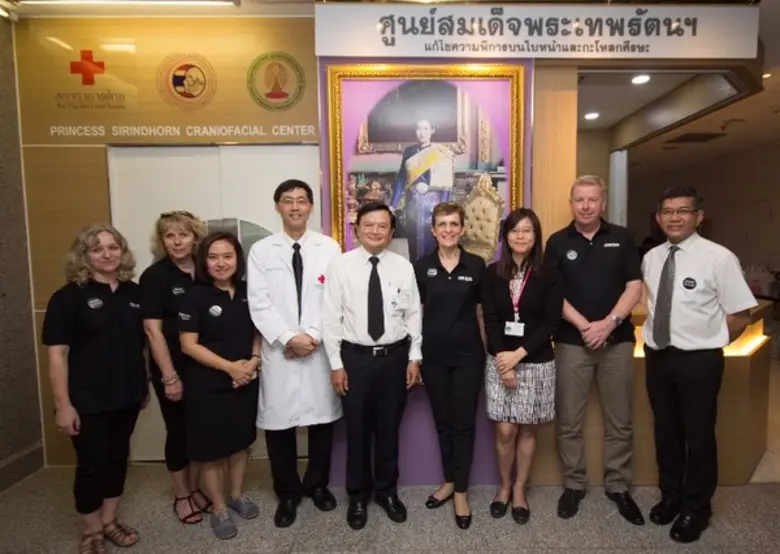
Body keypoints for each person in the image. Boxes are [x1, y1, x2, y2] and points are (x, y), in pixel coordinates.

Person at [642, 186, 756, 544]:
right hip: (658, 356)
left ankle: (696, 509)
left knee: (699, 435)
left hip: (699, 361)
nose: (674, 218)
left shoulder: (719, 258)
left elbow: (740, 315)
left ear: (698, 216)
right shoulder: (652, 257)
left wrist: (708, 344)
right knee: (666, 432)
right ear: (658, 218)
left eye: (683, 211)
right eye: (668, 211)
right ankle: (671, 497)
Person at [544, 175, 644, 525]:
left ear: (603, 202)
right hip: (572, 343)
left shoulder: (622, 237)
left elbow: (635, 285)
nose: (585, 206)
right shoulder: (557, 242)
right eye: (579, 200)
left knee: (620, 420)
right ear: (571, 203)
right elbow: (553, 294)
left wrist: (609, 323)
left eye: (592, 199)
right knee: (569, 419)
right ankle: (574, 484)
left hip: (617, 342)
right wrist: (586, 326)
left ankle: (618, 485)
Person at [42, 224, 148, 554]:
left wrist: (143, 385)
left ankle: (109, 520)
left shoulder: (134, 294)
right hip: (86, 398)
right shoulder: (67, 298)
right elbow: (57, 355)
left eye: (113, 247)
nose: (107, 254)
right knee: (91, 464)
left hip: (127, 395)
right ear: (83, 255)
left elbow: (142, 344)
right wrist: (63, 405)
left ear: (122, 251)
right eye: (97, 248)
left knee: (117, 459)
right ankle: (91, 531)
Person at [247, 179, 342, 528]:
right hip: (280, 351)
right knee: (279, 426)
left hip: (318, 348)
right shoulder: (262, 251)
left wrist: (312, 337)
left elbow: (334, 298)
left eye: (302, 200)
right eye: (288, 201)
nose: (295, 207)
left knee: (321, 423)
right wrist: (289, 338)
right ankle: (287, 492)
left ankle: (317, 485)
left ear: (311, 207)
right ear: (278, 207)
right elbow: (258, 302)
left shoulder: (328, 247)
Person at [322, 201, 422, 530]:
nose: (376, 231)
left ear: (391, 232)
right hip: (355, 359)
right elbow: (330, 318)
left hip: (394, 359)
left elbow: (413, 314)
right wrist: (336, 364)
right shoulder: (341, 266)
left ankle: (386, 492)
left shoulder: (403, 266)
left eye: (382, 226)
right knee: (357, 431)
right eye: (369, 225)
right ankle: (358, 496)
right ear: (356, 230)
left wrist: (414, 356)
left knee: (389, 430)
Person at [178, 231, 261, 541]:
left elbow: (258, 332)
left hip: (244, 380)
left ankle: (236, 494)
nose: (221, 263)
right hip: (207, 384)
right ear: (204, 261)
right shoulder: (194, 296)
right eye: (213, 257)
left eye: (227, 256)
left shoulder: (248, 291)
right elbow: (188, 345)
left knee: (239, 443)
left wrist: (253, 361)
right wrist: (230, 368)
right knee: (211, 449)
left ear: (238, 259)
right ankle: (218, 507)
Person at [482, 208, 562, 525]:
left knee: (528, 428)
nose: (521, 236)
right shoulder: (492, 273)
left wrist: (519, 355)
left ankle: (519, 489)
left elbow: (551, 321)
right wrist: (504, 361)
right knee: (505, 429)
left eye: (527, 230)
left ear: (536, 236)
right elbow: (490, 319)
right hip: (500, 359)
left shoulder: (549, 272)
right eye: (515, 230)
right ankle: (503, 486)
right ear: (506, 236)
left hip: (536, 360)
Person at [413, 201, 486, 530]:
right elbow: (415, 315)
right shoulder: (421, 266)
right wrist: (415, 357)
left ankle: (461, 492)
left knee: (464, 425)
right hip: (434, 359)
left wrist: (491, 353)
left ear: (462, 229)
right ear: (433, 230)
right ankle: (448, 481)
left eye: (454, 224)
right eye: (442, 224)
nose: (448, 229)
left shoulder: (477, 265)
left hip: (469, 358)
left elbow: (482, 313)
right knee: (443, 423)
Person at [139, 210, 211, 524]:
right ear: (162, 241)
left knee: (199, 430)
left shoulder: (206, 270)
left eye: (184, 234)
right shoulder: (155, 277)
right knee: (178, 431)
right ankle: (182, 496)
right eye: (170, 235)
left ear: (195, 238)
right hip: (173, 367)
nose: (177, 241)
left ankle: (195, 488)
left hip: (206, 366)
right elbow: (152, 331)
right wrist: (169, 377)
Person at [391, 118, 455, 261]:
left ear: (432, 130)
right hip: (412, 205)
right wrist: (392, 205)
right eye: (419, 128)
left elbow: (446, 184)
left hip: (433, 205)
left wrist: (444, 209)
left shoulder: (441, 152)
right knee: (413, 243)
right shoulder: (409, 151)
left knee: (433, 241)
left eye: (426, 129)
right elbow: (401, 179)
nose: (422, 133)